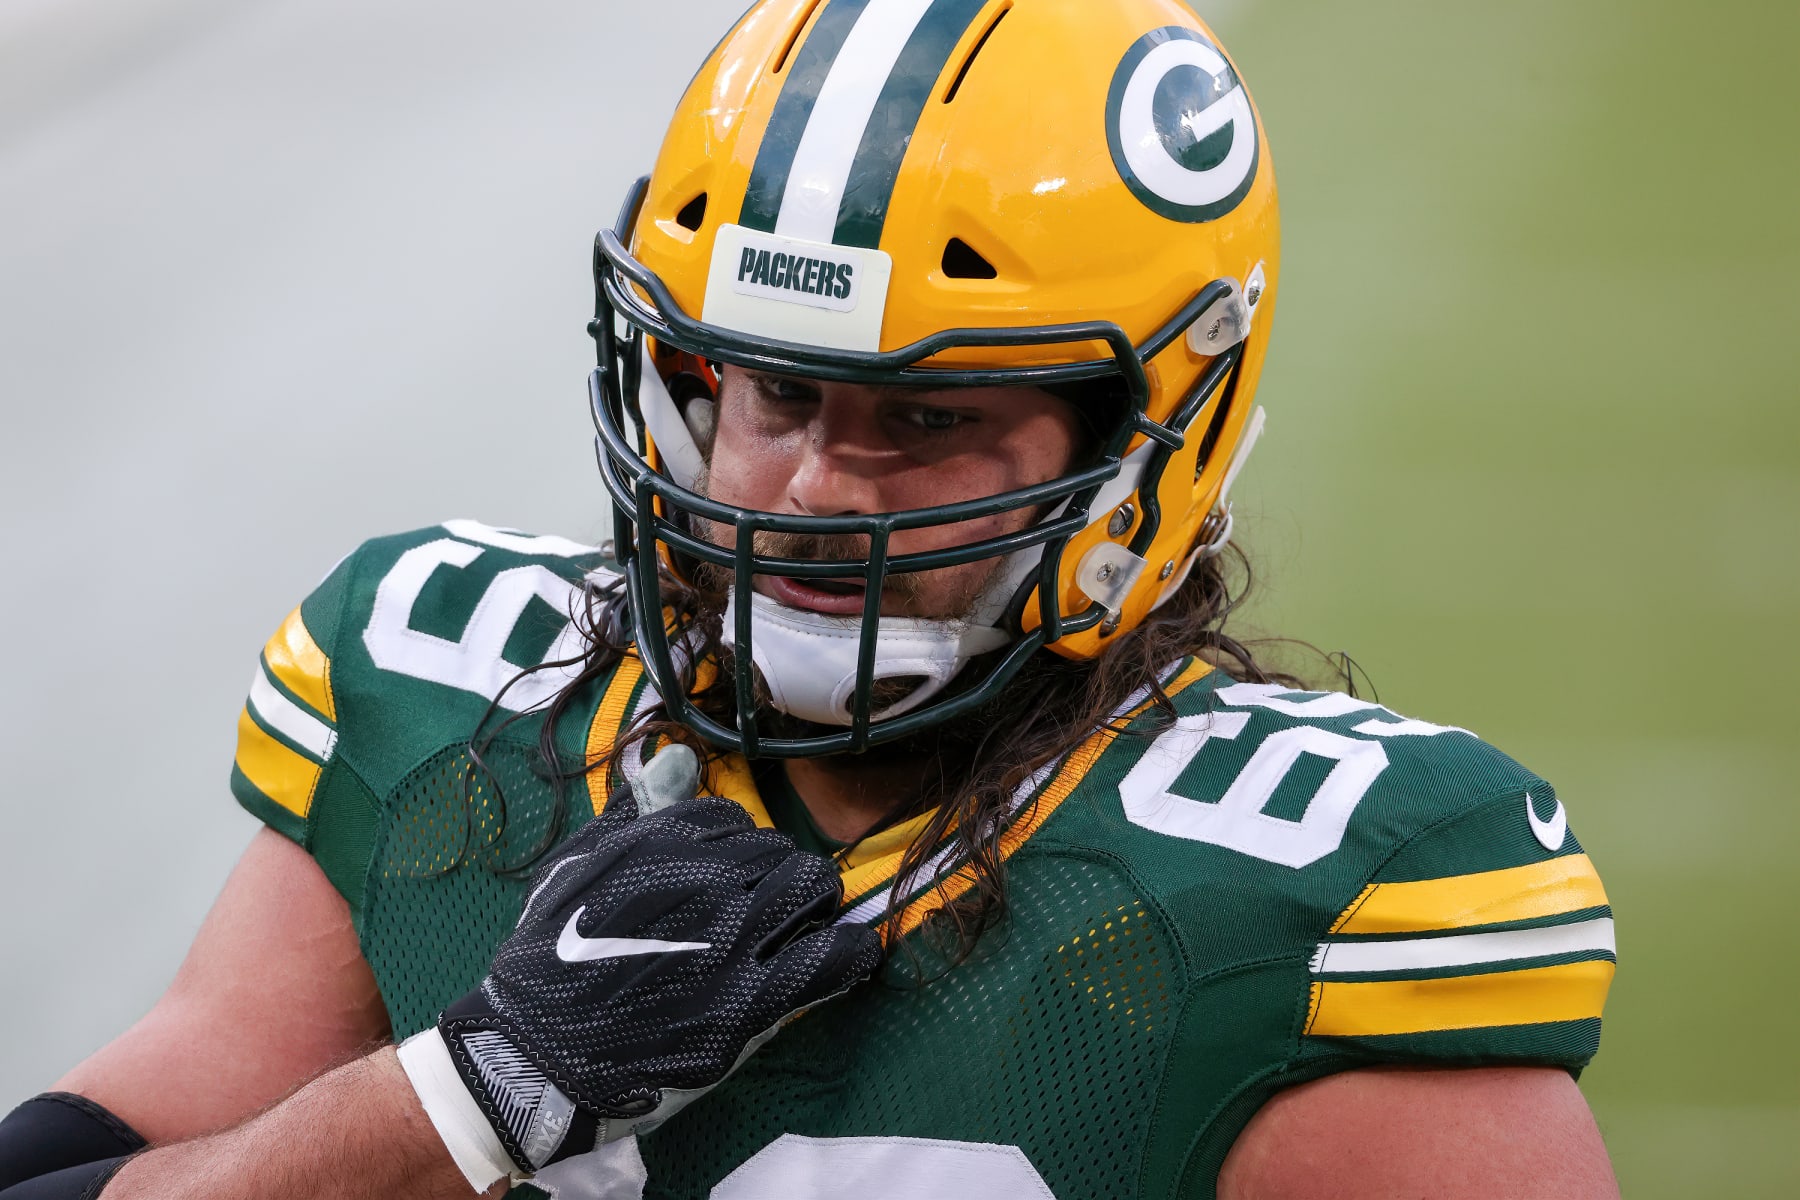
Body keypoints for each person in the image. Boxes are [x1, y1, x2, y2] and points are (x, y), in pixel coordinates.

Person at [0, 1, 1622, 1197]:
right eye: (775, 394)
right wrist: (461, 1097)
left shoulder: (1315, 895)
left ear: (1147, 449)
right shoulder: (442, 700)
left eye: (925, 422)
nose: (812, 490)